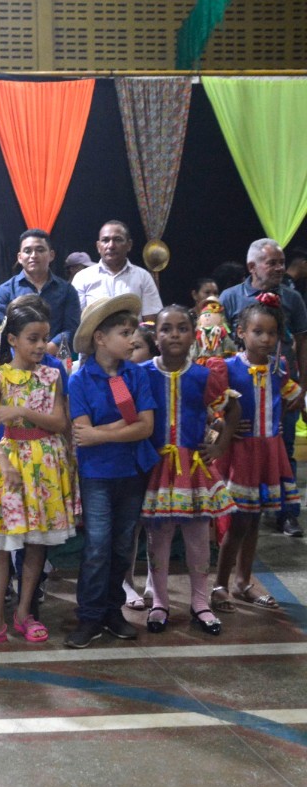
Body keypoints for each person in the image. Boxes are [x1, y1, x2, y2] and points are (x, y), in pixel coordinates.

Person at [0, 304, 78, 648]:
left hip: (45, 464)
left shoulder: (53, 375)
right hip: (10, 462)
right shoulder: (0, 376)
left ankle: (24, 612)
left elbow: (60, 423)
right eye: (33, 339)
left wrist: (22, 411)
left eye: (44, 338)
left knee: (36, 541)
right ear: (12, 339)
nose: (41, 346)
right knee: (1, 544)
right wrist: (2, 457)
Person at [66, 295, 157, 648]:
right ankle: (89, 616)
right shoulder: (80, 379)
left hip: (131, 472)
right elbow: (81, 433)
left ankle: (112, 611)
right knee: (98, 546)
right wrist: (120, 429)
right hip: (98, 475)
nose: (133, 339)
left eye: (133, 332)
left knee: (122, 547)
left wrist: (102, 433)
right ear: (100, 338)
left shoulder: (136, 374)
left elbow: (144, 426)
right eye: (124, 332)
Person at [140, 305, 235, 636]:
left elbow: (231, 409)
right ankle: (160, 602)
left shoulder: (203, 375)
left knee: (197, 536)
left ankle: (200, 602)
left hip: (194, 469)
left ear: (193, 334)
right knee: (159, 536)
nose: (174, 335)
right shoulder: (143, 373)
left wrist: (220, 447)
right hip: (157, 468)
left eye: (182, 328)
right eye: (167, 329)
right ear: (155, 337)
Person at [214, 297, 303, 613]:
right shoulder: (227, 368)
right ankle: (220, 585)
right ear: (241, 332)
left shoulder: (279, 369)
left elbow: (296, 397)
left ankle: (242, 581)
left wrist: (298, 398)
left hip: (269, 451)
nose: (266, 339)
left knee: (254, 524)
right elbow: (210, 406)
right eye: (258, 332)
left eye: (272, 332)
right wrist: (225, 425)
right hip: (242, 454)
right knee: (238, 523)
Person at [218, 238, 307, 537]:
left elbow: (303, 344)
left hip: (279, 386)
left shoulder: (292, 298)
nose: (280, 268)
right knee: (237, 450)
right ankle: (231, 512)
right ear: (252, 267)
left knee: (284, 447)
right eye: (273, 262)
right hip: (240, 389)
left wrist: (303, 387)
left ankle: (286, 514)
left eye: (282, 262)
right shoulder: (230, 297)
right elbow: (214, 344)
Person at [0, 229, 81, 351]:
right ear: (20, 257)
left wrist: (48, 348)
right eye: (27, 251)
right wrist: (25, 352)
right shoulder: (5, 291)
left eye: (40, 250)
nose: (33, 255)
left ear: (51, 255)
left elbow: (72, 329)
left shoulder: (67, 291)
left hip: (55, 360)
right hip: (15, 362)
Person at [71, 221, 163, 321]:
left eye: (118, 240)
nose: (111, 246)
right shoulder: (82, 278)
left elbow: (151, 321)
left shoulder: (143, 277)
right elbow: (75, 320)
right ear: (98, 246)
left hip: (133, 336)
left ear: (129, 245)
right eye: (105, 240)